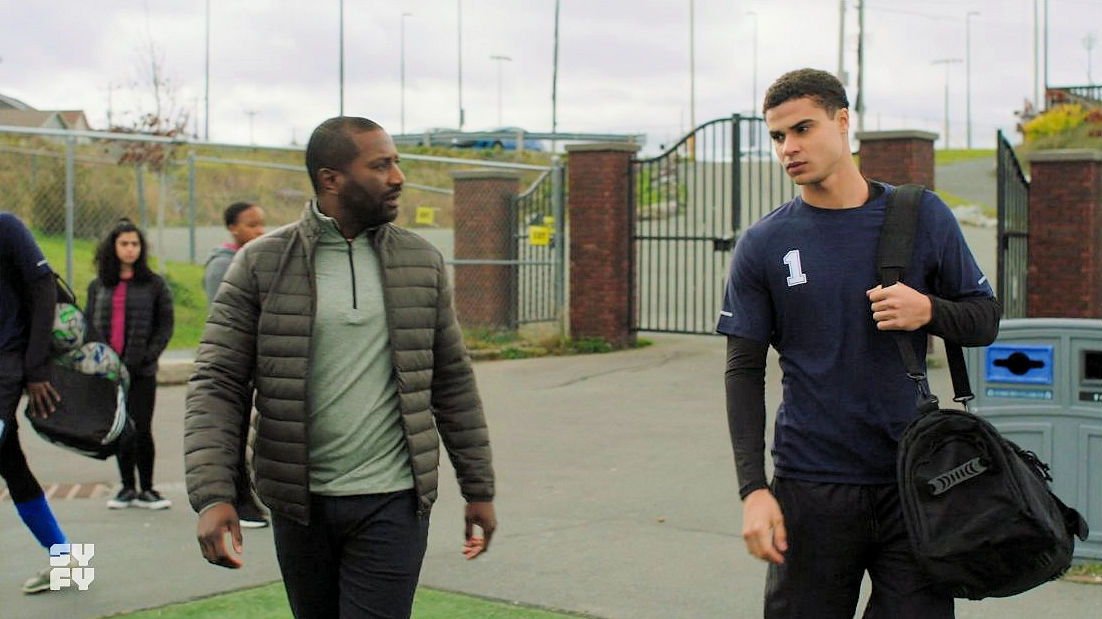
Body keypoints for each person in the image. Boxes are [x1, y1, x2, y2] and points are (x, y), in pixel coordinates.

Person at [185, 116, 497, 619]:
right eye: (381, 165)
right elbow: (218, 384)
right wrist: (214, 495)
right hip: (299, 504)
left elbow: (452, 382)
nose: (398, 177)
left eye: (396, 163)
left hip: (394, 500)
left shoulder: (421, 262)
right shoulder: (262, 264)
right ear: (331, 179)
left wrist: (478, 488)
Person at [718, 68, 1000, 618]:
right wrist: (753, 489)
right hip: (810, 485)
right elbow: (743, 371)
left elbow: (984, 320)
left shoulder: (921, 215)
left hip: (914, 480)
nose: (788, 148)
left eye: (803, 129)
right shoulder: (764, 243)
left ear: (843, 121)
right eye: (777, 136)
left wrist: (928, 310)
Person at [0, 212, 76, 594]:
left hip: (6, 364)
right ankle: (67, 559)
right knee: (11, 464)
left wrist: (36, 366)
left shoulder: (6, 227)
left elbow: (44, 288)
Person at [86, 219, 175, 510]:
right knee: (120, 428)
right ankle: (127, 488)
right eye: (124, 244)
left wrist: (149, 355)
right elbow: (89, 325)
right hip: (110, 373)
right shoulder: (99, 285)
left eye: (135, 244)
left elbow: (165, 325)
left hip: (142, 372)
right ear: (113, 247)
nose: (130, 249)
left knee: (142, 428)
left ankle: (148, 489)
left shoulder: (154, 284)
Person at [201, 201, 269, 529]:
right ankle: (237, 501)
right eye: (251, 225)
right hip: (233, 366)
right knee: (233, 434)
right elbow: (226, 320)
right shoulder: (222, 266)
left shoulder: (252, 260)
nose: (260, 231)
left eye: (261, 224)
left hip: (254, 363)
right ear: (232, 228)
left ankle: (248, 495)